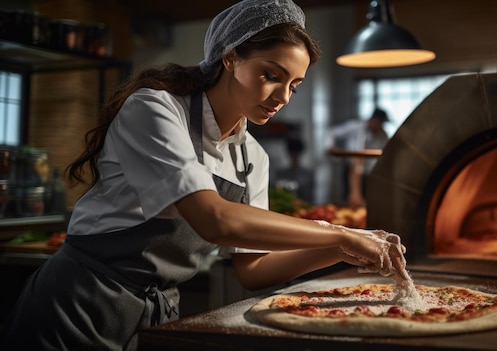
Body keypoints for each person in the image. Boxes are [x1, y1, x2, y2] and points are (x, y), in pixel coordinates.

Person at [0, 1, 407, 350]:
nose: (283, 97)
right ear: (230, 58)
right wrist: (337, 232)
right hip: (79, 302)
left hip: (158, 314)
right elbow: (213, 218)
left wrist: (344, 251)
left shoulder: (253, 157)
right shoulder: (155, 109)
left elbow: (254, 269)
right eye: (271, 75)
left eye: (294, 86)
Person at [326, 108, 390, 208]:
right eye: (379, 122)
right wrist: (330, 147)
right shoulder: (354, 127)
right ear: (373, 119)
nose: (380, 125)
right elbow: (331, 132)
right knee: (351, 201)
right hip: (351, 169)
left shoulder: (383, 136)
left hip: (370, 174)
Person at [274, 136, 315, 203]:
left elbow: (310, 198)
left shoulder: (308, 175)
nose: (294, 156)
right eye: (292, 153)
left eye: (296, 153)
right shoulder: (280, 174)